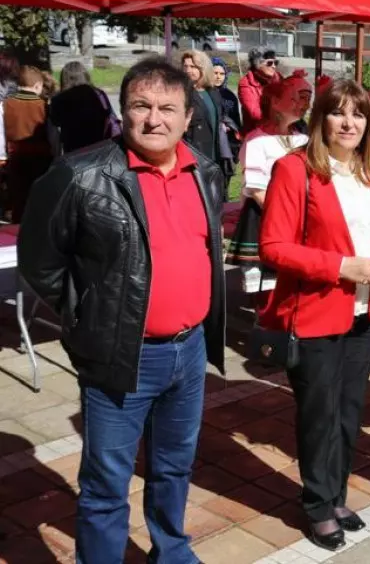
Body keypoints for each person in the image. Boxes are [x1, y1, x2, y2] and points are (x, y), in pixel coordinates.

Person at [17, 58, 226, 563]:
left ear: (186, 116)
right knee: (107, 482)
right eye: (141, 106)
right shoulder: (78, 176)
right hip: (121, 356)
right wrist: (86, 313)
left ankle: (172, 551)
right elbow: (39, 260)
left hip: (189, 350)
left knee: (175, 466)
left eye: (167, 108)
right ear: (122, 110)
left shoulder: (206, 171)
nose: (155, 119)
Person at [258, 79, 370, 551]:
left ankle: (336, 493)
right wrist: (342, 266)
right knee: (319, 415)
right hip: (316, 311)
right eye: (338, 113)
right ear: (319, 118)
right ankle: (318, 505)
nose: (349, 123)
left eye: (358, 114)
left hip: (366, 311)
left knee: (348, 412)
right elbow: (274, 246)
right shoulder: (294, 169)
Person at [225, 72, 310, 295]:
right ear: (275, 102)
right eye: (295, 98)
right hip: (265, 215)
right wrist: (284, 216)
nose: (302, 105)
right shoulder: (256, 140)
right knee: (265, 284)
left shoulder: (302, 138)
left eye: (305, 99)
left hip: (298, 214)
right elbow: (256, 188)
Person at [4, 65, 53, 222]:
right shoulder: (43, 106)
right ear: (38, 85)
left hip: (16, 158)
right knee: (40, 201)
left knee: (19, 200)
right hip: (41, 160)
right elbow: (52, 135)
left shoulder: (6, 104)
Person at [180, 50, 233, 181]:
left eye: (193, 67)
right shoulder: (182, 92)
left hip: (215, 157)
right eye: (185, 66)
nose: (188, 70)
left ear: (203, 68)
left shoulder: (213, 92)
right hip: (194, 156)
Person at [48, 61, 120, 156]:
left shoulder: (59, 98)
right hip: (98, 144)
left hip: (72, 147)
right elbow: (109, 115)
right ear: (85, 76)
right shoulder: (98, 94)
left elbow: (55, 122)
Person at [238, 47, 282, 134]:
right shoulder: (246, 83)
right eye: (269, 63)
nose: (274, 66)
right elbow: (255, 113)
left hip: (278, 131)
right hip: (255, 134)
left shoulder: (278, 78)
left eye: (276, 62)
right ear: (258, 64)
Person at [212, 57, 243, 162]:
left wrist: (231, 127)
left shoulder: (230, 96)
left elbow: (236, 120)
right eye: (215, 73)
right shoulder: (203, 92)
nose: (218, 77)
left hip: (228, 143)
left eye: (221, 74)